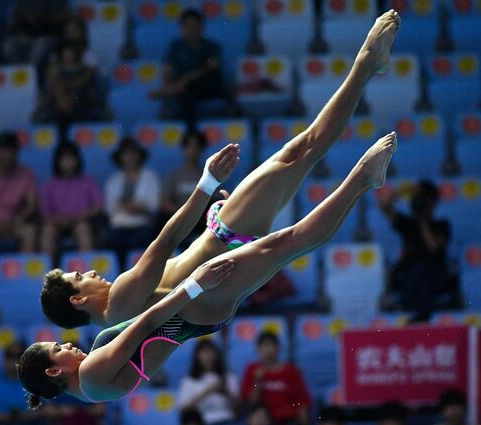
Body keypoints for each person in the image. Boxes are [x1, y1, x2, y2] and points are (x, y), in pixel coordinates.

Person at [39, 11, 401, 331]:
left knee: (297, 190)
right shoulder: (117, 301)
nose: (88, 273)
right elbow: (165, 241)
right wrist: (207, 182)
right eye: (79, 278)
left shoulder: (116, 318)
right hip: (225, 248)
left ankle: (363, 172)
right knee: (302, 155)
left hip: (220, 256)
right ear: (77, 300)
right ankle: (366, 67)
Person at [18, 128, 398, 408]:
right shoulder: (90, 377)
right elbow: (148, 323)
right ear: (54, 371)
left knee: (285, 245)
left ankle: (361, 182)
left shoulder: (92, 381)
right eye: (58, 348)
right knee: (287, 243)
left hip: (199, 313)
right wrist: (196, 285)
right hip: (197, 306)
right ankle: (361, 180)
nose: (66, 343)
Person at [378, 179, 452, 321]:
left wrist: (422, 221)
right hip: (409, 276)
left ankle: (420, 317)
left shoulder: (442, 225)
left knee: (423, 270)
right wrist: (401, 192)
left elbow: (432, 247)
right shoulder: (407, 224)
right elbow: (384, 207)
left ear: (433, 203)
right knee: (413, 272)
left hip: (435, 276)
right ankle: (417, 313)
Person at [150, 8, 228, 125]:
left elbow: (211, 68)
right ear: (182, 27)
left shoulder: (212, 47)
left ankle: (173, 95)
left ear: (201, 26)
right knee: (187, 94)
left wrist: (185, 81)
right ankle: (189, 129)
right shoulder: (176, 47)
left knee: (192, 86)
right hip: (184, 89)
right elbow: (167, 71)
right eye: (187, 25)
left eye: (195, 24)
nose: (192, 29)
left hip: (207, 87)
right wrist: (167, 85)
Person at [40, 143, 103, 262]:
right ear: (57, 161)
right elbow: (44, 212)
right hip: (56, 223)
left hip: (81, 221)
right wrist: (60, 220)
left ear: (78, 159)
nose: (68, 161)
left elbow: (98, 207)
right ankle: (48, 276)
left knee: (83, 229)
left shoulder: (88, 182)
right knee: (48, 231)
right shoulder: (50, 184)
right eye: (64, 158)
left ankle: (88, 275)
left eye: (71, 158)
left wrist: (78, 217)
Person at [105, 136, 161, 268]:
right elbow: (109, 209)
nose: (129, 157)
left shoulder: (150, 177)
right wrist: (133, 206)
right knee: (114, 240)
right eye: (126, 154)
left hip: (143, 223)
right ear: (120, 157)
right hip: (119, 225)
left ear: (139, 156)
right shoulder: (114, 180)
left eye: (133, 153)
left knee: (147, 240)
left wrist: (135, 207)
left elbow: (154, 206)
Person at [241, 332, 311, 425]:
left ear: (278, 348)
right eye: (265, 346)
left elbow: (303, 400)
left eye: (271, 345)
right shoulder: (252, 369)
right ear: (258, 349)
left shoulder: (291, 371)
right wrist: (257, 382)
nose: (268, 350)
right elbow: (251, 401)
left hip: (288, 419)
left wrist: (302, 412)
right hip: (264, 420)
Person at [160, 130, 213, 245]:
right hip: (177, 220)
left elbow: (215, 202)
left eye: (196, 146)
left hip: (200, 221)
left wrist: (194, 214)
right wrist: (184, 214)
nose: (192, 150)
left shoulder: (210, 176)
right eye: (189, 146)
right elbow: (165, 202)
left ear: (202, 150)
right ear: (183, 149)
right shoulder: (174, 175)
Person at [35, 41, 103, 132]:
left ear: (75, 54)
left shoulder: (83, 68)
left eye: (70, 53)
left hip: (79, 96)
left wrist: (69, 84)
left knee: (78, 90)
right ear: (61, 54)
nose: (68, 56)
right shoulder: (55, 68)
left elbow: (83, 80)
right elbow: (52, 79)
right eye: (66, 53)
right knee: (55, 90)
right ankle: (58, 112)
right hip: (59, 97)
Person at [0, 341, 43, 425]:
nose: (14, 360)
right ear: (4, 359)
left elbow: (50, 410)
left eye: (19, 356)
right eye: (10, 356)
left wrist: (27, 416)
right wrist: (0, 417)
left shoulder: (35, 381)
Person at [178, 340, 240, 425]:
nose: (210, 355)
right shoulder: (189, 381)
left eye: (212, 351)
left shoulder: (229, 376)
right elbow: (183, 410)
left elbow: (238, 409)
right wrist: (208, 391)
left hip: (227, 420)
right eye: (205, 352)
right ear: (197, 356)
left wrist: (225, 391)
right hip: (201, 421)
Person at [3, 0, 70, 66]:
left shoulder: (57, 2)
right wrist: (25, 17)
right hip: (26, 35)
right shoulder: (23, 1)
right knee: (9, 46)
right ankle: (19, 70)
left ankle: (30, 72)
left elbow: (64, 16)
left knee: (38, 49)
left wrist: (44, 17)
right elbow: (16, 17)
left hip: (46, 35)